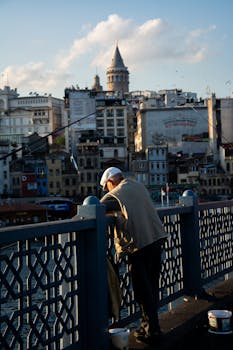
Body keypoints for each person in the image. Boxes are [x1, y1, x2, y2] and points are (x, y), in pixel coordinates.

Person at [99, 167, 168, 345]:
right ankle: (149, 327)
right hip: (157, 238)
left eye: (106, 187)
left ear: (110, 182)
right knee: (152, 287)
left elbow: (96, 207)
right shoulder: (138, 185)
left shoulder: (116, 193)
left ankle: (152, 332)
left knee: (142, 291)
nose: (107, 190)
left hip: (140, 245)